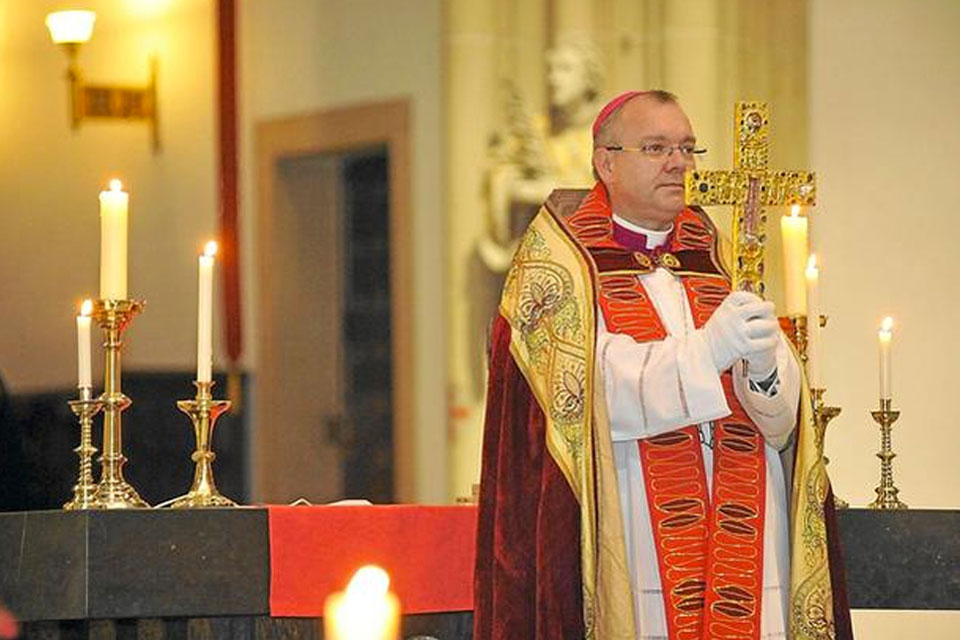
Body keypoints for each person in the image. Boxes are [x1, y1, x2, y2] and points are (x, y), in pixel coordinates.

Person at [474, 90, 852, 639]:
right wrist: (709, 351)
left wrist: (769, 370)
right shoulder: (563, 266)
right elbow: (588, 396)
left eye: (687, 148)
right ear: (606, 161)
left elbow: (785, 426)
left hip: (747, 541)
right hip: (637, 542)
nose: (679, 162)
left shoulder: (716, 258)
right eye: (656, 147)